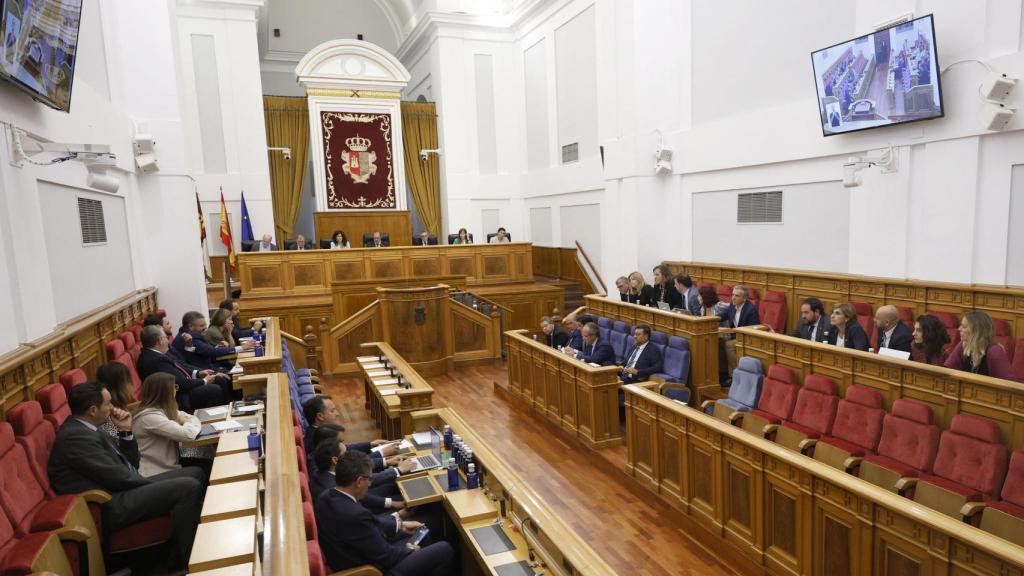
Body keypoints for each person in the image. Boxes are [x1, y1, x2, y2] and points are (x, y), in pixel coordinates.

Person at [47, 382, 204, 571]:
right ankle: (190, 562)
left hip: (120, 488)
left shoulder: (89, 427)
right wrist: (150, 484)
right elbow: (118, 477)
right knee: (187, 487)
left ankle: (191, 545)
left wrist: (125, 430)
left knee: (196, 472)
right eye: (108, 403)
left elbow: (130, 464)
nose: (112, 407)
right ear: (93, 410)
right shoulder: (75, 438)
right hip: (107, 505)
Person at [315, 451, 455, 576]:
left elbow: (369, 524)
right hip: (372, 570)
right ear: (359, 481)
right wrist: (410, 550)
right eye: (369, 479)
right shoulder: (355, 515)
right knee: (445, 549)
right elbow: (386, 557)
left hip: (359, 555)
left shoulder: (326, 496)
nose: (370, 484)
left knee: (422, 532)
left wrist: (400, 525)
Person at [310, 427, 412, 512]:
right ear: (335, 460)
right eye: (346, 454)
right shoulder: (332, 487)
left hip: (364, 500)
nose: (350, 455)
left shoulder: (324, 471)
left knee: (396, 485)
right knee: (407, 495)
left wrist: (389, 464)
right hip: (366, 507)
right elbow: (363, 496)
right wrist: (392, 504)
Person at [138, 325, 232, 410]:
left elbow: (181, 366)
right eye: (166, 338)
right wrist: (204, 381)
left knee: (219, 379)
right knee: (214, 389)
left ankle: (229, 410)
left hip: (183, 387)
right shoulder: (156, 360)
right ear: (160, 341)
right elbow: (181, 384)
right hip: (178, 397)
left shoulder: (156, 354)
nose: (168, 341)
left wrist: (198, 373)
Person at [132, 373, 205, 478]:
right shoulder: (149, 418)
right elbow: (188, 434)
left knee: (209, 464)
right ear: (164, 392)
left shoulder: (162, 409)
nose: (176, 390)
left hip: (170, 464)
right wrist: (187, 422)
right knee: (201, 471)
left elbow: (191, 417)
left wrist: (186, 421)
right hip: (157, 473)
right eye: (174, 387)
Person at [301, 395, 397, 472]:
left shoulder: (318, 432)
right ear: (320, 416)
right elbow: (348, 467)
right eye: (333, 410)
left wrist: (371, 444)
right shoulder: (318, 441)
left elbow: (346, 449)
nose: (338, 414)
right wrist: (381, 454)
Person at [171, 311, 254, 371]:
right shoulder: (191, 336)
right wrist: (241, 348)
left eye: (205, 324)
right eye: (201, 326)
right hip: (201, 370)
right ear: (191, 326)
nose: (205, 328)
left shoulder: (186, 333)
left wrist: (217, 346)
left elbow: (205, 349)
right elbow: (211, 351)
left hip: (203, 366)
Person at [944, 311, 1014, 379]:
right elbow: (946, 370)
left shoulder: (995, 351)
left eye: (964, 327)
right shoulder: (963, 345)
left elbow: (1009, 384)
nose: (959, 329)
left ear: (977, 331)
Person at [718, 285, 762, 374]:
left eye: (737, 296)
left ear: (744, 298)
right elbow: (724, 315)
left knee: (729, 345)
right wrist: (712, 318)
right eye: (733, 295)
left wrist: (732, 331)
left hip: (748, 338)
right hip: (735, 336)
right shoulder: (732, 305)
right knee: (719, 342)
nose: (733, 298)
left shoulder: (750, 310)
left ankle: (734, 375)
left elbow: (752, 330)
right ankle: (723, 373)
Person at [96, 362, 139, 438]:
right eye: (128, 380)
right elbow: (123, 446)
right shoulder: (111, 417)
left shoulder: (119, 408)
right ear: (121, 386)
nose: (132, 384)